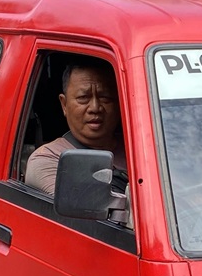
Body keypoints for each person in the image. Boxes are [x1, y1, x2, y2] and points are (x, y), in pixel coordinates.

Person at [25, 57, 127, 197]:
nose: (95, 108)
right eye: (83, 98)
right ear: (64, 105)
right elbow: (87, 210)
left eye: (105, 98)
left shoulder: (141, 150)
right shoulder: (48, 160)